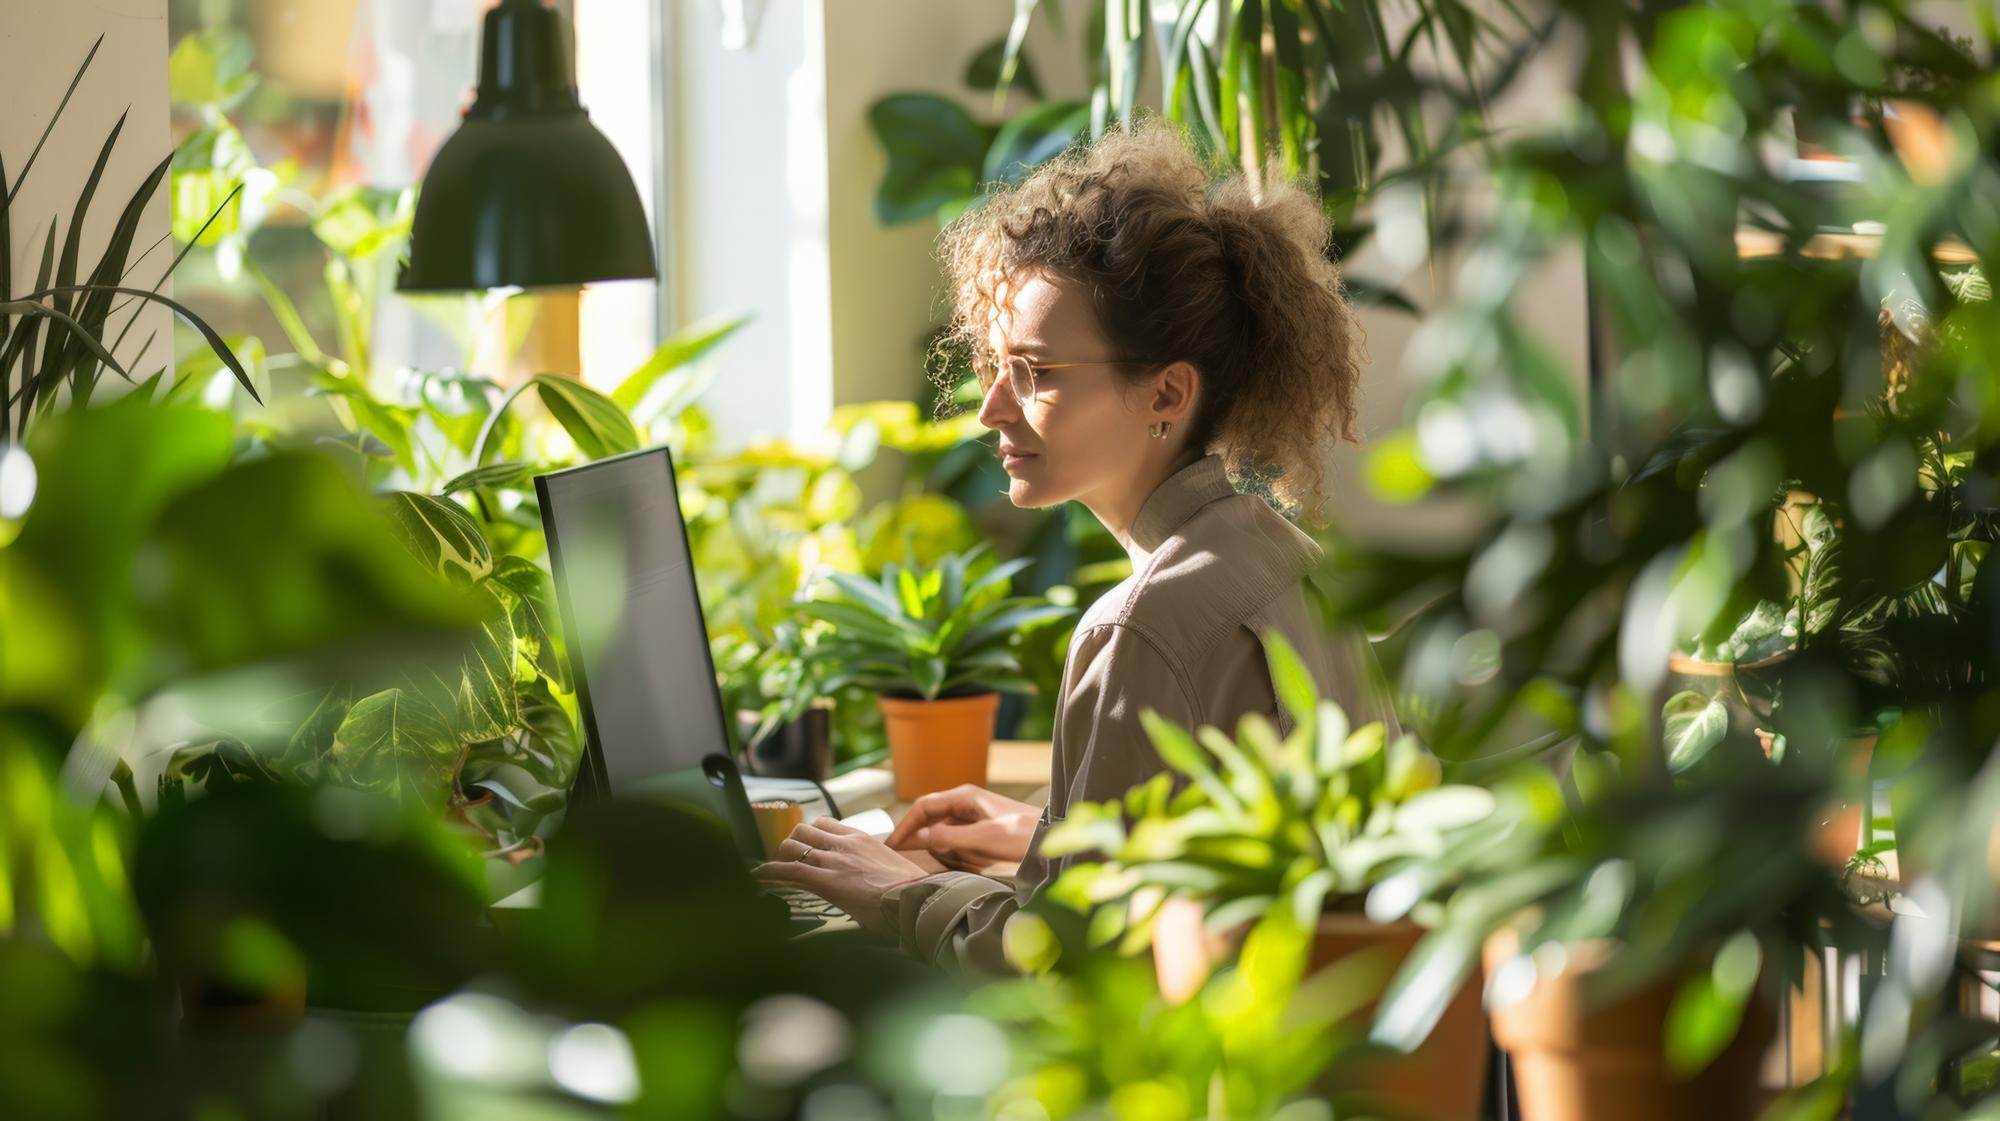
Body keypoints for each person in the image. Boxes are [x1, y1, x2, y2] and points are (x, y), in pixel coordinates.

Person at [754, 118, 1400, 976]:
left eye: (1037, 374)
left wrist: (892, 889)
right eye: (996, 366)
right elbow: (1245, 865)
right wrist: (1050, 839)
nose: (991, 410)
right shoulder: (1283, 556)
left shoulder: (1141, 627)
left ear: (1166, 392)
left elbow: (1068, 963)